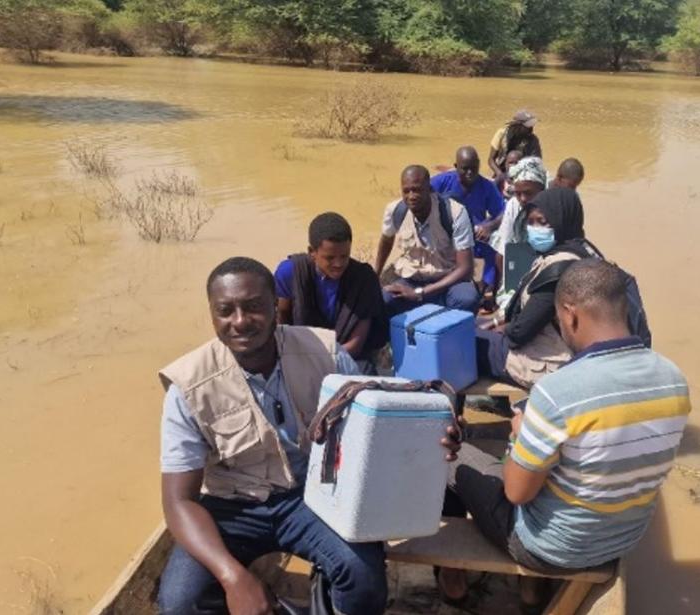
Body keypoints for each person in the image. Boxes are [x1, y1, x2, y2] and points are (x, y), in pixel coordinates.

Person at [157, 256, 463, 615]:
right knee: (178, 603)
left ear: (276, 306)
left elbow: (388, 413)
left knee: (363, 580)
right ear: (212, 314)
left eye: (254, 307)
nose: (239, 321)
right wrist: (232, 577)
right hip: (231, 506)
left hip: (315, 494)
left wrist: (435, 433)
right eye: (226, 311)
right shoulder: (188, 386)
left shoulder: (326, 350)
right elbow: (179, 501)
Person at [439, 259, 692, 609]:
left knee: (452, 454)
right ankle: (530, 593)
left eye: (559, 321)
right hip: (623, 539)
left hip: (551, 548)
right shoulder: (674, 379)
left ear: (570, 315)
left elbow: (516, 493)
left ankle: (453, 583)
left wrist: (518, 438)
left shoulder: (557, 392)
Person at [478, 187, 586, 389]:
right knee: (477, 326)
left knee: (466, 340)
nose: (535, 229)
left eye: (543, 222)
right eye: (530, 222)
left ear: (562, 220)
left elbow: (520, 333)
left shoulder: (558, 270)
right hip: (571, 356)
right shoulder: (584, 253)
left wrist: (501, 329)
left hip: (550, 366)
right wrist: (495, 321)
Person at [275, 212, 388, 373]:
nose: (338, 264)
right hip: (301, 354)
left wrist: (320, 363)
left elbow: (356, 345)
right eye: (329, 258)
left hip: (348, 357)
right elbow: (282, 320)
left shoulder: (363, 278)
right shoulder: (290, 273)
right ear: (312, 252)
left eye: (344, 256)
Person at [374, 165, 480, 317]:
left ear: (429, 189)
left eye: (417, 190)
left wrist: (420, 293)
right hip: (411, 278)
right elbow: (386, 239)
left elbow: (466, 268)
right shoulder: (395, 211)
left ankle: (449, 335)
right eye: (406, 191)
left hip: (447, 281)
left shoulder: (455, 212)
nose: (411, 196)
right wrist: (375, 275)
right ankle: (399, 338)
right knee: (383, 299)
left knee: (467, 299)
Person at [431, 146, 506, 295]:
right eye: (465, 169)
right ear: (456, 167)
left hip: (473, 234)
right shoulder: (442, 182)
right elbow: (421, 192)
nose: (470, 173)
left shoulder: (487, 186)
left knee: (495, 248)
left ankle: (488, 287)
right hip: (444, 234)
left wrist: (490, 226)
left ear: (479, 164)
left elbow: (504, 212)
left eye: (474, 168)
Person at [488, 110, 542, 184]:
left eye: (532, 126)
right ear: (518, 125)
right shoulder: (501, 134)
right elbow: (491, 160)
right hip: (501, 172)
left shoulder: (533, 140)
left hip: (523, 174)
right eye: (527, 127)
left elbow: (537, 163)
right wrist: (501, 175)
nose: (531, 129)